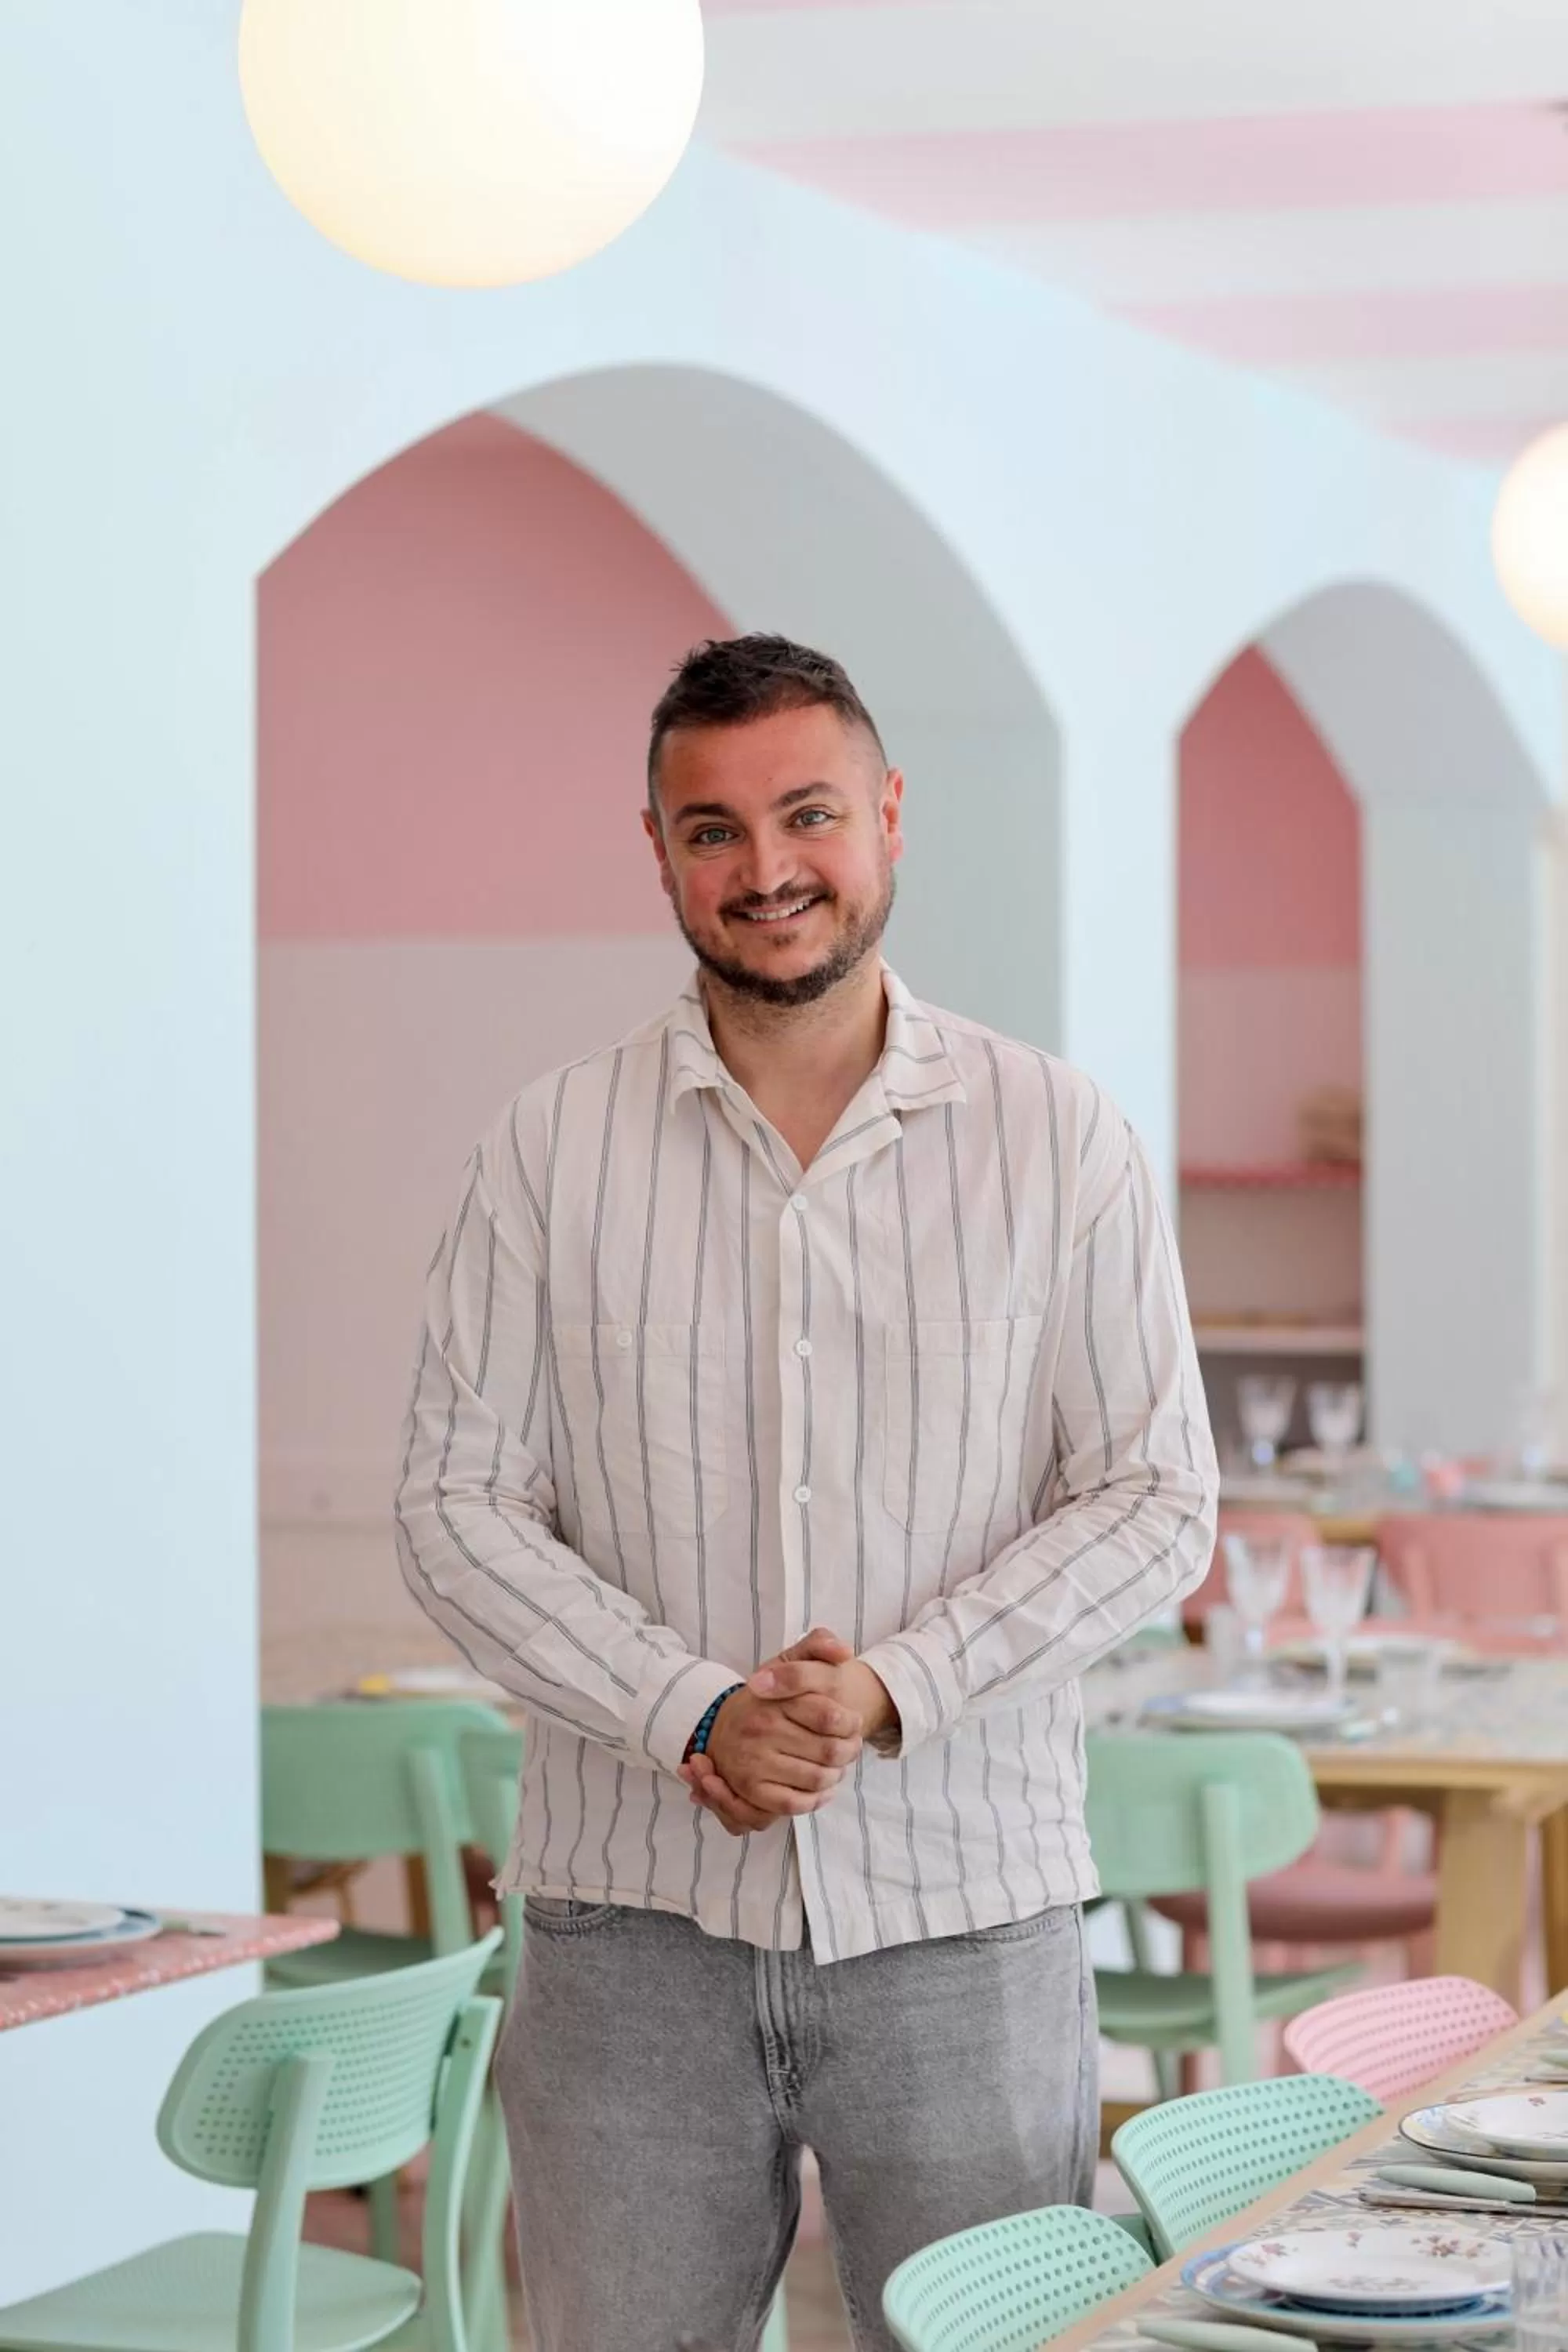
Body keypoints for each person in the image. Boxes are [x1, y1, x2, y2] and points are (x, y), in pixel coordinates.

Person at [395, 634, 1218, 2352]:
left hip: (965, 1920)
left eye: (807, 814)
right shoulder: (548, 1147)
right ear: (657, 848)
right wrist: (695, 1714)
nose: (766, 869)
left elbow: (1153, 1495)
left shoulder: (1057, 1136)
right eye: (712, 829)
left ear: (890, 817)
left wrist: (891, 1686)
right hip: (627, 1932)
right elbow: (456, 1505)